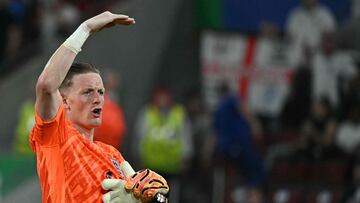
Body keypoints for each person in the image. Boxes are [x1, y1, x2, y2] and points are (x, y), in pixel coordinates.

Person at [29, 11, 168, 203]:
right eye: (88, 92)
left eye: (101, 92)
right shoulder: (56, 137)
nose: (98, 99)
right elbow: (46, 86)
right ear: (65, 101)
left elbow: (145, 194)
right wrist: (85, 28)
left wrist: (154, 200)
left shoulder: (112, 154)